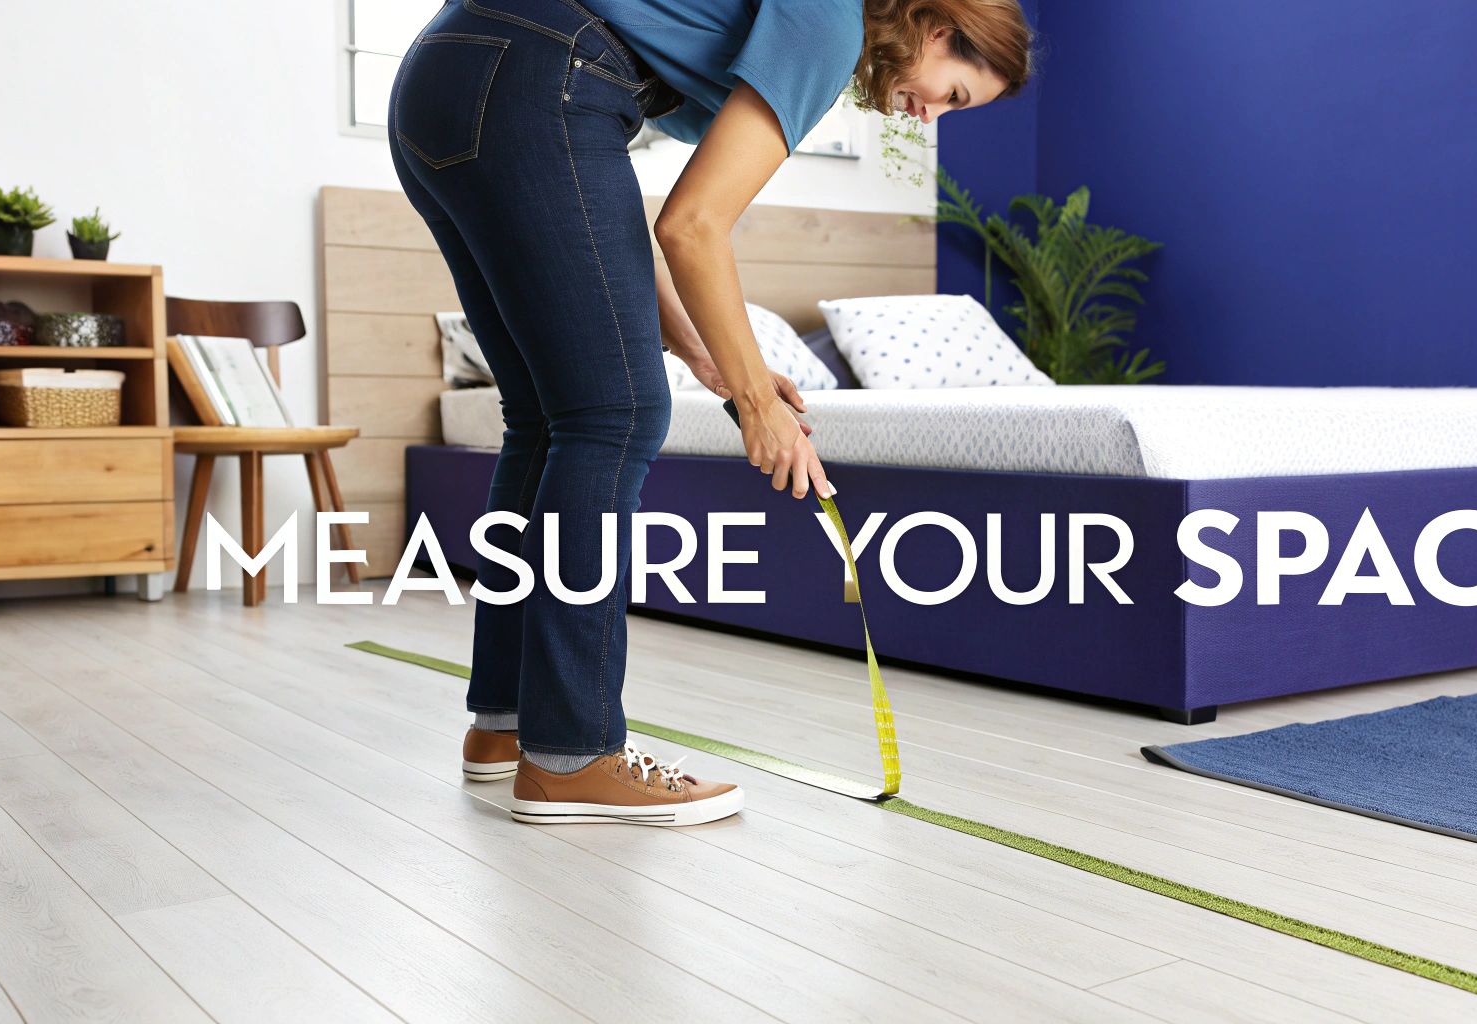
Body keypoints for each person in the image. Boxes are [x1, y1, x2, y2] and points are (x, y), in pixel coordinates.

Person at [388, 0, 1030, 826]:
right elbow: (691, 226)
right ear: (939, 28)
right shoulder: (830, 25)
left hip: (446, 75)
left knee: (547, 417)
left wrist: (710, 359)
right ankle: (573, 754)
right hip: (533, 77)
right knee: (615, 417)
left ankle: (507, 725)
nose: (931, 116)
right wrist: (757, 403)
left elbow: (594, 222)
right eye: (954, 94)